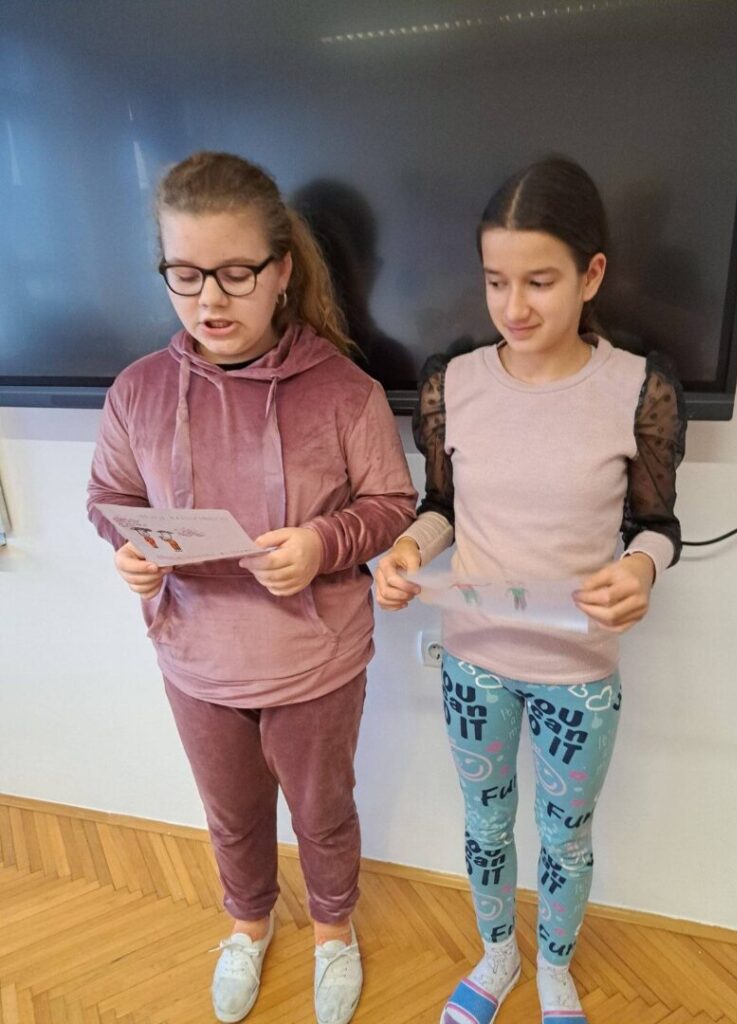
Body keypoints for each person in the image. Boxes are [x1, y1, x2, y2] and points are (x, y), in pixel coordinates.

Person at [87, 151, 417, 1024]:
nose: (210, 300)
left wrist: (321, 543)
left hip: (315, 658)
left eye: (235, 273)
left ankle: (334, 934)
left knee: (323, 812)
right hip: (195, 656)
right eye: (185, 274)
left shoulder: (344, 391)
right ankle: (248, 925)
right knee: (230, 813)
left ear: (281, 271)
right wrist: (131, 550)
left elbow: (392, 504)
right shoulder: (138, 391)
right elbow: (110, 498)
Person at [374, 156, 686, 1024]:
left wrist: (640, 570)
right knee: (484, 824)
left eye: (540, 282)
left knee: (565, 836)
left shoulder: (636, 390)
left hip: (578, 675)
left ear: (592, 274)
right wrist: (405, 552)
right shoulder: (454, 385)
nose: (514, 307)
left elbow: (658, 526)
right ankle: (496, 955)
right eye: (496, 281)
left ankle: (554, 967)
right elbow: (440, 509)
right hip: (473, 665)